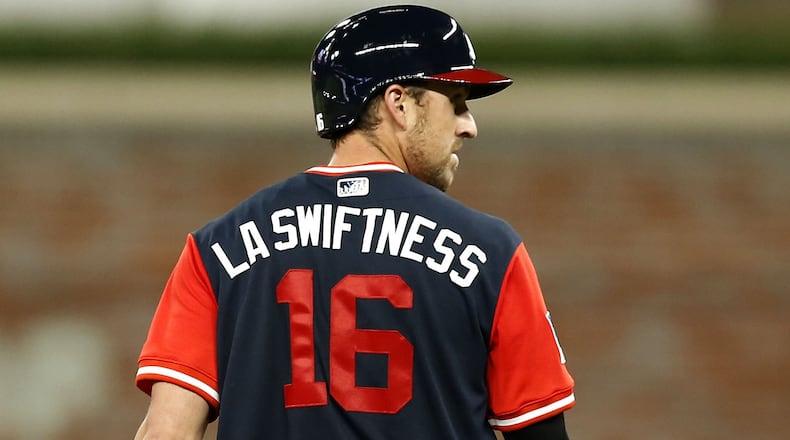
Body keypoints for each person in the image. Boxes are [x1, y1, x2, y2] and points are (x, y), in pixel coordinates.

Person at [133, 5, 575, 440]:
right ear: (399, 104)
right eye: (456, 101)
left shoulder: (216, 248)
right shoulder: (490, 251)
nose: (469, 126)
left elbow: (166, 431)